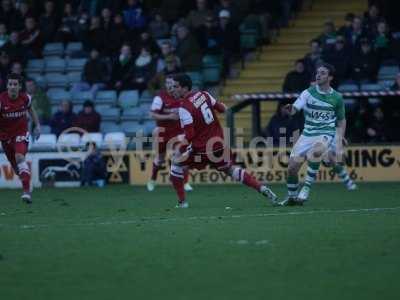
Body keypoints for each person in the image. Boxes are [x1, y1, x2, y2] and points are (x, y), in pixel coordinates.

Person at [169, 73, 277, 208]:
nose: (172, 89)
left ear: (185, 88)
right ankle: (261, 188)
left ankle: (182, 202)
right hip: (219, 145)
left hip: (202, 150)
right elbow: (223, 109)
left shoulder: (184, 108)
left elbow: (190, 136)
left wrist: (180, 145)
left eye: (175, 86)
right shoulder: (204, 94)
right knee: (230, 170)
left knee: (175, 163)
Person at [279, 64, 353, 206]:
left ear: (330, 77)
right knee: (292, 168)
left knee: (317, 151)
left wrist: (341, 136)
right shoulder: (308, 93)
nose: (318, 75)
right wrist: (290, 109)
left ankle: (306, 188)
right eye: (317, 73)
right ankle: (292, 198)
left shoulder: (337, 97)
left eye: (323, 73)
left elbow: (341, 119)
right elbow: (295, 109)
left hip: (326, 132)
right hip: (307, 134)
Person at [0, 73, 41, 203]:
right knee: (18, 170)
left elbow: (31, 110)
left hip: (21, 134)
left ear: (19, 86)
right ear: (7, 86)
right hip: (5, 137)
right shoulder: (1, 100)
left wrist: (37, 126)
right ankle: (28, 184)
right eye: (10, 84)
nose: (12, 87)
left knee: (19, 157)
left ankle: (26, 192)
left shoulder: (25, 98)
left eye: (15, 84)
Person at [147, 76, 192, 192]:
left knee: (182, 154)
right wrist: (169, 116)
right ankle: (152, 180)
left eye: (173, 84)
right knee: (160, 159)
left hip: (178, 132)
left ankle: (185, 183)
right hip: (163, 132)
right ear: (165, 85)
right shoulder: (160, 98)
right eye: (168, 83)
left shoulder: (181, 97)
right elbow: (152, 115)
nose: (170, 86)